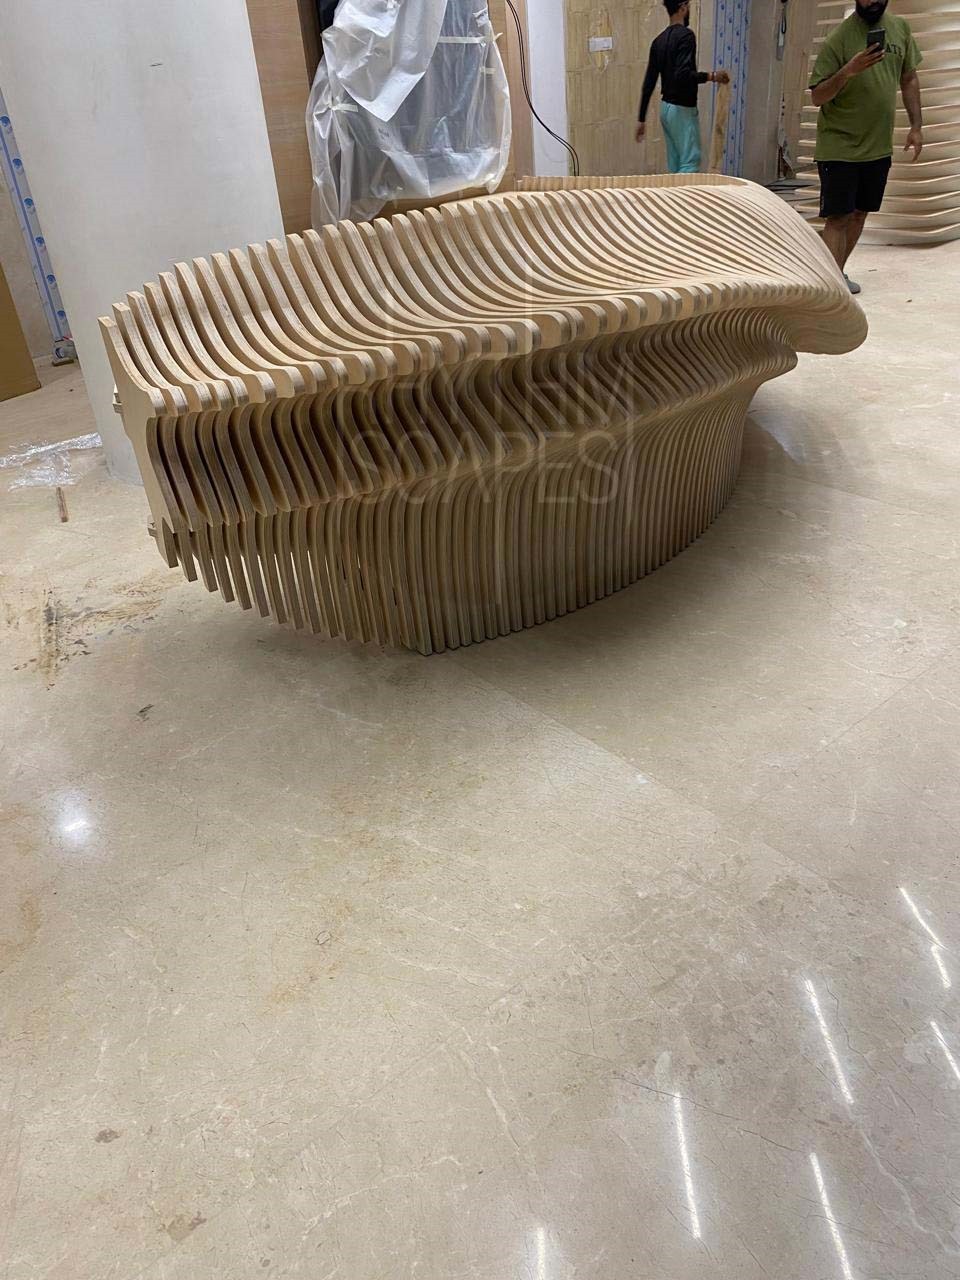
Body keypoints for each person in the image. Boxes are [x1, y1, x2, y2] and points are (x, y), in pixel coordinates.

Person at [809, 0, 923, 293]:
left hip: (878, 145)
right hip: (839, 145)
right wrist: (848, 70)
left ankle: (837, 274)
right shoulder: (839, 39)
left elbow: (909, 77)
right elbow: (818, 96)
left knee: (860, 212)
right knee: (838, 217)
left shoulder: (900, 28)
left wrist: (916, 126)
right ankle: (829, 288)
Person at [635, 0, 729, 174]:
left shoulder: (658, 41)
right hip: (682, 110)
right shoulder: (686, 36)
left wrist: (642, 119)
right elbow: (683, 75)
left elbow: (649, 82)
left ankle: (673, 193)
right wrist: (712, 76)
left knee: (675, 165)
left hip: (666, 110)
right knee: (690, 163)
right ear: (683, 8)